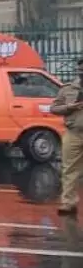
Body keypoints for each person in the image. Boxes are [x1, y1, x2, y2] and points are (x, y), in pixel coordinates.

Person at [52, 57, 83, 214]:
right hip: (74, 132)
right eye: (80, 68)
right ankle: (68, 202)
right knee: (69, 169)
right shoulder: (68, 88)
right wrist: (69, 107)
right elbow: (54, 108)